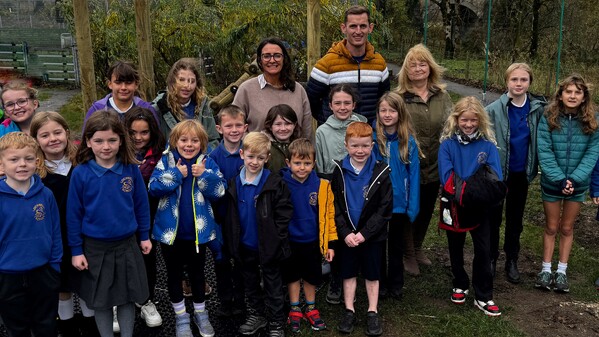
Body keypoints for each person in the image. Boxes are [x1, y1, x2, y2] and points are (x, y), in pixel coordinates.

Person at [67, 110, 152, 337]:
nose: (106, 146)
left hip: (127, 244)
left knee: (126, 298)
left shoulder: (129, 168)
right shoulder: (81, 173)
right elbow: (73, 215)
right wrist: (76, 250)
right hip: (94, 248)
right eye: (99, 141)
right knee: (101, 301)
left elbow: (141, 204)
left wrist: (144, 235)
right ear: (88, 141)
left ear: (121, 140)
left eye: (112, 140)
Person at [149, 119, 225, 337]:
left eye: (195, 140)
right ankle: (181, 316)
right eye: (184, 140)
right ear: (175, 141)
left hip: (197, 236)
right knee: (173, 275)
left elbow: (219, 191)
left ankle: (201, 314)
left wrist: (204, 176)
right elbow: (153, 187)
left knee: (198, 275)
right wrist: (175, 175)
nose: (189, 145)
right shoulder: (167, 161)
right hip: (169, 235)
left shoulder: (207, 162)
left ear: (202, 143)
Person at [30, 112, 101, 337]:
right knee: (62, 285)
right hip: (54, 237)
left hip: (84, 234)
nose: (53, 138)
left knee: (86, 281)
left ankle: (91, 324)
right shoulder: (35, 174)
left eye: (57, 132)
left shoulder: (82, 163)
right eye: (45, 135)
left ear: (67, 133)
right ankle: (68, 324)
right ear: (36, 140)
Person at [222, 132, 293, 337]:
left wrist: (276, 240)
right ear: (242, 154)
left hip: (269, 247)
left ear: (267, 158)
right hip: (245, 246)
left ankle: (276, 321)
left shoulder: (274, 183)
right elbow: (231, 216)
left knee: (273, 284)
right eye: (251, 157)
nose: (255, 162)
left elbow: (284, 214)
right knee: (250, 283)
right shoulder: (234, 183)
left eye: (260, 158)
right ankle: (257, 315)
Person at [438, 97, 503, 316]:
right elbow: (447, 177)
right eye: (464, 120)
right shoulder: (447, 145)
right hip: (454, 205)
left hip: (481, 207)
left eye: (473, 120)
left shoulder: (488, 146)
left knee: (484, 249)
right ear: (456, 120)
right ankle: (460, 281)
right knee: (455, 246)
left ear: (480, 121)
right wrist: (469, 189)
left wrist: (475, 192)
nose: (468, 125)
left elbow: (495, 178)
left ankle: (483, 295)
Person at [535, 74, 599, 293]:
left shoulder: (593, 120)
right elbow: (544, 150)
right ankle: (545, 268)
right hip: (553, 182)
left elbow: (593, 152)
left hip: (577, 184)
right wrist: (559, 178)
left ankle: (561, 270)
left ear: (584, 97)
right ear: (560, 95)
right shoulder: (548, 117)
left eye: (577, 92)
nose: (572, 96)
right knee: (552, 226)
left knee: (567, 227)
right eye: (568, 92)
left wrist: (575, 179)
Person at [485, 63, 547, 283]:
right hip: (497, 174)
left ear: (529, 82)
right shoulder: (493, 110)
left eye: (523, 80)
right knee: (493, 218)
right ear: (506, 82)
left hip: (521, 173)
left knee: (515, 219)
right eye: (514, 79)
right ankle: (490, 258)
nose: (519, 84)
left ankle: (511, 259)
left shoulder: (537, 110)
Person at [396, 43, 452, 276]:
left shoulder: (442, 95)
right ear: (406, 70)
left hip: (435, 161)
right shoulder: (399, 97)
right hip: (409, 163)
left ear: (430, 67)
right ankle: (407, 253)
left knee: (427, 206)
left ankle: (418, 247)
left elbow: (451, 124)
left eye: (423, 64)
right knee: (410, 208)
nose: (418, 68)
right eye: (413, 65)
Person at [331, 122, 392, 336]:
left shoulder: (381, 171)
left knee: (372, 273)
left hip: (371, 236)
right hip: (347, 235)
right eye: (355, 146)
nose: (360, 151)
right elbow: (335, 206)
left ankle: (372, 311)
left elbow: (385, 208)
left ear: (372, 145)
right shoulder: (339, 171)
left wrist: (365, 233)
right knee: (348, 273)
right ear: (346, 145)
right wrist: (345, 232)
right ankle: (349, 309)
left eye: (365, 146)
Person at [0, 132, 62, 337]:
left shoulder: (45, 195)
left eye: (28, 159)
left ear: (36, 161)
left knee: (46, 325)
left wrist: (54, 265)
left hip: (43, 272)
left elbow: (55, 231)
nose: (22, 164)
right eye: (14, 159)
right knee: (17, 328)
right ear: (2, 165)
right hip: (7, 276)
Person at [280, 138, 337, 333]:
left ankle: (311, 307)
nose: (302, 167)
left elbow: (329, 216)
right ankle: (295, 307)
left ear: (314, 164)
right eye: (297, 163)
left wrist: (329, 244)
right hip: (290, 241)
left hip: (313, 242)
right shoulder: (282, 183)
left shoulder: (322, 185)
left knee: (311, 276)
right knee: (293, 275)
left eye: (307, 163)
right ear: (288, 163)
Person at [373, 92, 421, 300]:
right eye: (383, 110)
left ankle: (396, 284)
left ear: (400, 113)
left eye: (392, 110)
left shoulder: (408, 142)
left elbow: (414, 175)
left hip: (400, 203)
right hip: (377, 204)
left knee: (396, 245)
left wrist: (413, 206)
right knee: (378, 244)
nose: (387, 114)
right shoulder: (373, 141)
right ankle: (380, 283)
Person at [306, 5, 389, 125]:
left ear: (370, 28)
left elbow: (384, 99)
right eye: (353, 26)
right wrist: (326, 120)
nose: (358, 31)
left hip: (368, 136)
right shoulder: (326, 64)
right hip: (335, 137)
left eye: (363, 26)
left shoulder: (379, 63)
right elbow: (310, 100)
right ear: (343, 28)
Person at [123, 107, 166, 328]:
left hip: (148, 212)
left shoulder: (160, 155)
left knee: (146, 255)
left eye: (144, 132)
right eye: (133, 133)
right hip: (121, 213)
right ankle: (118, 302)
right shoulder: (118, 153)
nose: (138, 138)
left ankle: (146, 299)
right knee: (120, 257)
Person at [208, 105, 248, 317]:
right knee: (221, 259)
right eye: (229, 126)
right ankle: (225, 301)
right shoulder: (213, 157)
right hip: (221, 216)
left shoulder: (248, 154)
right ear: (219, 128)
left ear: (246, 127)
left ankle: (241, 302)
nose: (234, 130)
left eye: (238, 125)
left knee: (240, 259)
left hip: (243, 216)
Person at [232, 37, 312, 138]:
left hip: (295, 153)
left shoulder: (298, 90)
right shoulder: (246, 90)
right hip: (258, 152)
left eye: (277, 56)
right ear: (260, 60)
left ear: (284, 59)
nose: (272, 60)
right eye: (267, 56)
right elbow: (234, 127)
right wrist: (253, 147)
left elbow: (307, 130)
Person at [151, 58, 220, 149]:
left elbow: (213, 140)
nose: (187, 86)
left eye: (192, 81)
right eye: (181, 80)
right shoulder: (159, 107)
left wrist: (203, 158)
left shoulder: (203, 105)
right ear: (173, 81)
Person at [84, 60, 158, 127]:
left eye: (128, 83)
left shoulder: (147, 110)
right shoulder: (96, 109)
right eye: (118, 82)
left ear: (136, 84)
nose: (123, 87)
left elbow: (158, 140)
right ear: (110, 84)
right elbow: (86, 139)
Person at [315, 83, 367, 179]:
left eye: (347, 103)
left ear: (353, 105)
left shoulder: (363, 129)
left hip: (358, 182)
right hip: (331, 184)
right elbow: (319, 166)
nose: (342, 108)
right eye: (337, 103)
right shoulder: (321, 132)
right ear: (331, 106)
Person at [263, 104, 301, 173]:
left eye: (288, 124)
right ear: (270, 126)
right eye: (278, 124)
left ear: (294, 125)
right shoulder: (263, 148)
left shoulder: (301, 147)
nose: (283, 128)